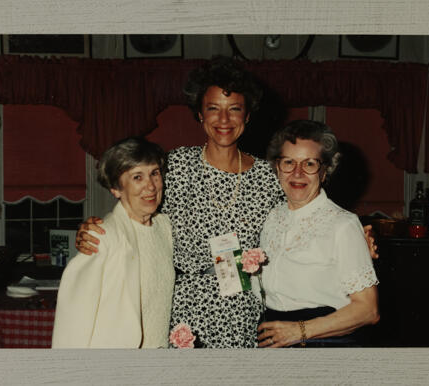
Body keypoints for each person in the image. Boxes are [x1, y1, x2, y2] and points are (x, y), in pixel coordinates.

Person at [75, 57, 378, 348]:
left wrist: (358, 240)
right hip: (183, 312)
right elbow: (136, 209)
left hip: (245, 313)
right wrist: (101, 229)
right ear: (199, 114)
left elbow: (308, 214)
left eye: (234, 109)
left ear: (247, 116)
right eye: (213, 108)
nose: (223, 119)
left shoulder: (268, 174)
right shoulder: (176, 165)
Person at [255, 120, 379, 348]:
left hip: (323, 344)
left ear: (325, 171)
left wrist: (300, 331)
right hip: (273, 340)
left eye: (309, 163)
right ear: (276, 167)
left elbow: (368, 310)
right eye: (288, 162)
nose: (297, 173)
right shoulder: (271, 217)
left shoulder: (343, 224)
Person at [52, 137, 174, 348]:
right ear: (116, 189)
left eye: (154, 173)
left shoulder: (164, 228)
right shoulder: (101, 236)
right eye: (138, 177)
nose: (151, 186)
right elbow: (73, 321)